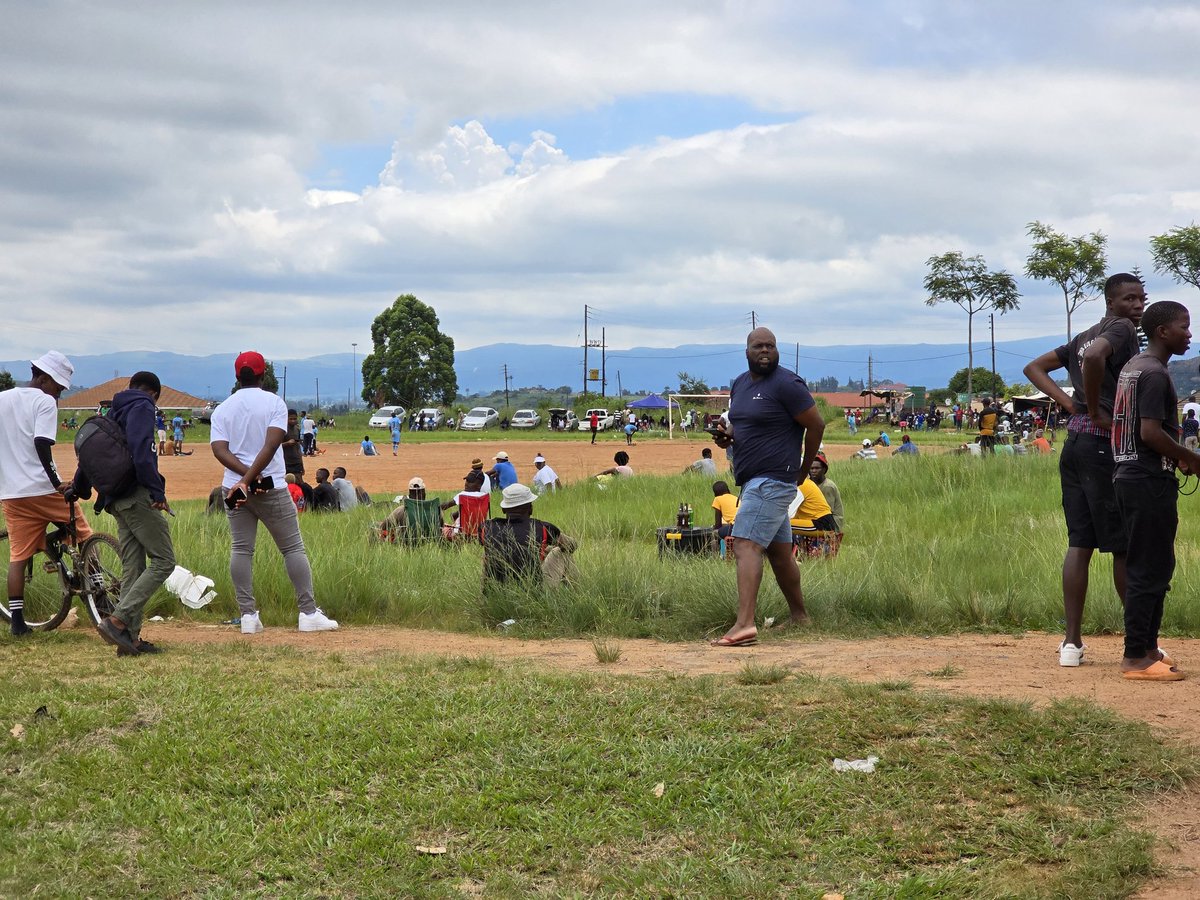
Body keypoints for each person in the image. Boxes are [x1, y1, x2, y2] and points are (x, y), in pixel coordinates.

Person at [1023, 273, 1146, 667]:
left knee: (1080, 543)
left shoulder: (1085, 335)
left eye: (1141, 299)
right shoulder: (1121, 330)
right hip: (1102, 444)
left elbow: (1034, 367)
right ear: (1111, 302)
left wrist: (1068, 404)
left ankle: (1071, 644)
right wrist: (1093, 409)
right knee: (1123, 545)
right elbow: (1095, 359)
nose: (1137, 306)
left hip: (1073, 445)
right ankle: (1139, 643)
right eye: (1129, 299)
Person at [709, 327, 825, 646]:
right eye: (758, 346)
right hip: (751, 479)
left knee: (745, 544)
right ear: (746, 351)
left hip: (774, 479)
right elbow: (744, 425)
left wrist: (802, 470)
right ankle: (800, 617)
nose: (765, 351)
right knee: (779, 554)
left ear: (777, 351)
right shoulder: (740, 385)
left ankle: (744, 625)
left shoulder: (787, 384)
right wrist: (727, 436)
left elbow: (816, 425)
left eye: (771, 346)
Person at [209, 350, 338, 634]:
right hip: (271, 487)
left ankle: (247, 617)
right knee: (292, 548)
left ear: (236, 376)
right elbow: (270, 446)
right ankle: (307, 613)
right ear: (263, 375)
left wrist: (242, 480)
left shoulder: (222, 409)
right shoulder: (274, 403)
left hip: (233, 488)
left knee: (241, 549)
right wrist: (253, 478)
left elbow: (219, 450)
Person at [1111, 301, 1200, 681]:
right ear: (1163, 331)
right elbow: (1149, 433)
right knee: (1150, 569)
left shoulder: (1134, 366)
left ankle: (1149, 648)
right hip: (1147, 480)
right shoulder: (1156, 374)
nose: (1189, 334)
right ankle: (1135, 658)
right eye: (1185, 327)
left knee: (1155, 565)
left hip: (1131, 477)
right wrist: (1189, 458)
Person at [72, 371, 176, 656]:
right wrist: (157, 491)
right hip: (136, 494)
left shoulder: (112, 410)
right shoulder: (143, 405)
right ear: (155, 392)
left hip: (114, 499)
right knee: (164, 560)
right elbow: (143, 451)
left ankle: (129, 640)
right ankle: (118, 621)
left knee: (134, 568)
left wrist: (78, 488)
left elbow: (90, 459)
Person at [0, 352, 94, 636]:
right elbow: (42, 443)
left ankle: (17, 624)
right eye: (59, 387)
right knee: (85, 534)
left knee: (18, 555)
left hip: (12, 493)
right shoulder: (44, 401)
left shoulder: (2, 398)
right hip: (41, 488)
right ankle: (100, 597)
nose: (59, 394)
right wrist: (57, 482)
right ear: (43, 378)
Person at [480, 484, 578, 588]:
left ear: (504, 509)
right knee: (560, 551)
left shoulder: (486, 528)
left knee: (488, 552)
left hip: (496, 590)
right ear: (530, 508)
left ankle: (483, 598)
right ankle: (575, 592)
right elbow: (572, 546)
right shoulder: (543, 528)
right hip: (534, 590)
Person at [439, 471, 490, 537]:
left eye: (470, 482)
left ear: (479, 484)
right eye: (467, 481)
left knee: (441, 529)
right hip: (480, 533)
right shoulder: (485, 496)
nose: (466, 484)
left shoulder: (462, 495)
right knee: (455, 515)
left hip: (461, 533)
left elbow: (443, 506)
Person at [808, 453, 843, 533]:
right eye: (811, 468)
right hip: (820, 518)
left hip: (831, 522)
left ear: (824, 469)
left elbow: (826, 512)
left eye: (817, 468)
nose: (813, 471)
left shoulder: (827, 486)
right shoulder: (810, 483)